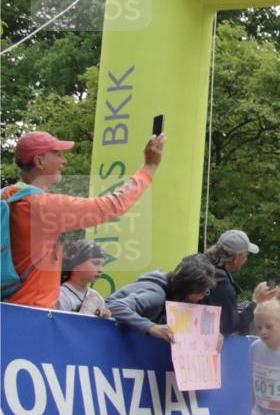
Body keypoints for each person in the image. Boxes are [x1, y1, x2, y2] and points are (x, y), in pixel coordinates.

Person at [2, 130, 165, 308]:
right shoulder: (41, 205)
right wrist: (148, 168)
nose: (64, 161)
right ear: (39, 161)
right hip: (33, 311)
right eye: (58, 154)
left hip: (10, 307)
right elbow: (111, 206)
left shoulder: (7, 197)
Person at [105, 256, 218, 342]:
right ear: (190, 290)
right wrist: (151, 327)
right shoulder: (156, 295)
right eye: (204, 291)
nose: (204, 296)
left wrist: (209, 333)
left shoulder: (175, 296)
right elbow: (114, 306)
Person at [202, 229, 274, 335]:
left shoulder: (200, 267)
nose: (246, 259)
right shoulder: (224, 287)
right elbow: (230, 326)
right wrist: (256, 302)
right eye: (246, 255)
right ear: (237, 257)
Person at [56, 240, 111, 317]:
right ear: (75, 264)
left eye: (103, 265)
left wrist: (104, 317)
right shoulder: (60, 295)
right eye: (95, 263)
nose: (101, 270)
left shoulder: (97, 297)